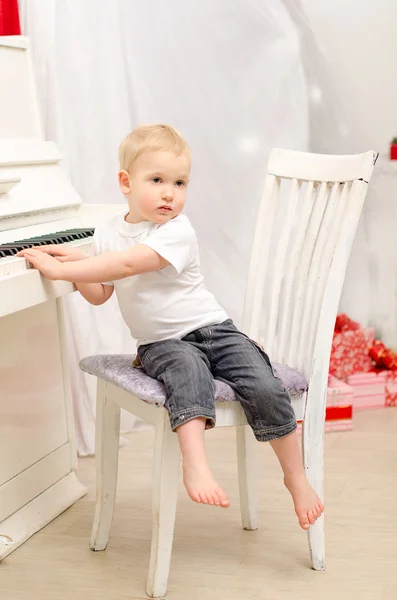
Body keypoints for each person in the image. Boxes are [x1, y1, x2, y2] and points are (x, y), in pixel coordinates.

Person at [17, 124, 324, 529]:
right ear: (126, 182)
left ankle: (295, 476)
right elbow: (100, 293)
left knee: (263, 383)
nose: (169, 193)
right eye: (157, 180)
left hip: (214, 328)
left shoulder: (177, 230)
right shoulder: (109, 232)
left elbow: (130, 264)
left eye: (180, 183)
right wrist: (74, 266)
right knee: (188, 374)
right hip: (161, 343)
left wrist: (66, 265)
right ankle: (195, 465)